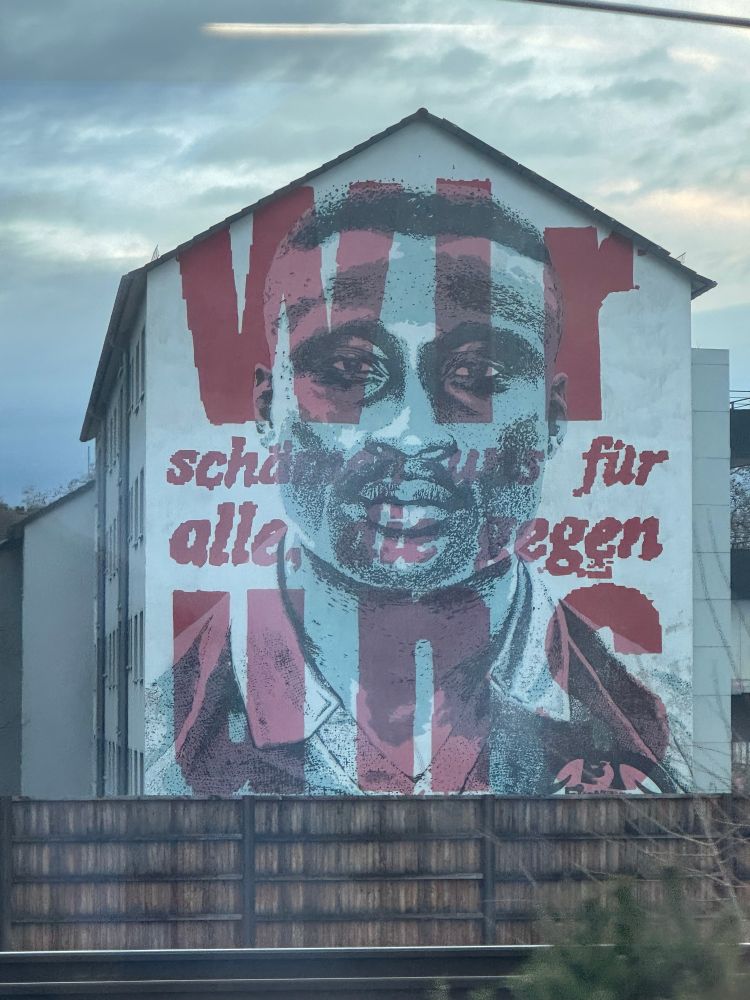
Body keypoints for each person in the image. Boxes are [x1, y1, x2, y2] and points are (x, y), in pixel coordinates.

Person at [147, 182, 680, 796]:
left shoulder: (661, 742)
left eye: (479, 375)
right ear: (269, 410)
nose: (412, 434)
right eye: (349, 371)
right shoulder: (166, 738)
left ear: (551, 420)